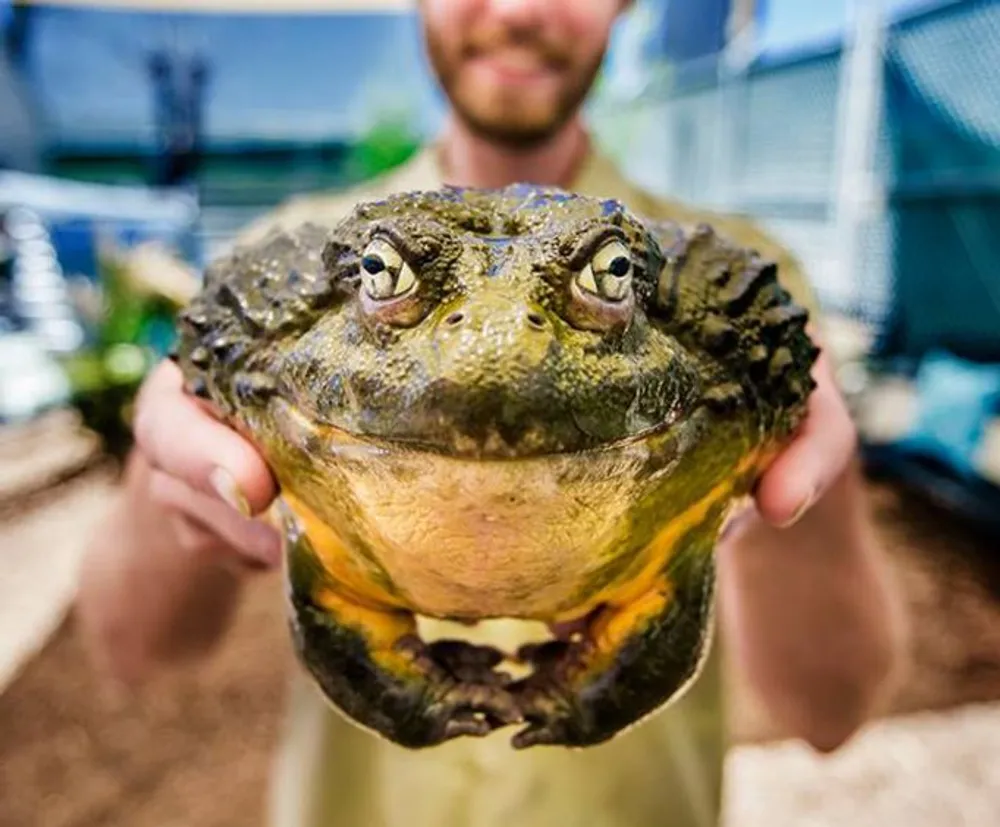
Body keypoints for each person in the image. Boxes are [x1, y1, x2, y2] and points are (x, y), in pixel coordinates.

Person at [76, 2, 907, 825]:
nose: (517, 7)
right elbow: (134, 656)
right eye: (384, 272)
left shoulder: (739, 285)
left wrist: (788, 466)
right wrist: (174, 475)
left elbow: (832, 713)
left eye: (610, 275)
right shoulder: (280, 274)